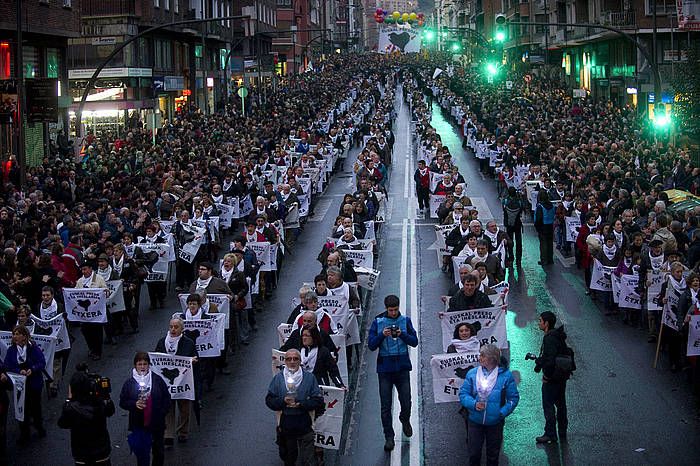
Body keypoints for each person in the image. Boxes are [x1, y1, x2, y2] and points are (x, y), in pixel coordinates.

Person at [367, 295, 418, 451]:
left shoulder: (406, 321)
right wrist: (382, 334)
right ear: (386, 309)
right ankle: (389, 436)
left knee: (406, 401)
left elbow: (414, 342)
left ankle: (405, 419)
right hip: (385, 369)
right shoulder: (378, 322)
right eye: (391, 310)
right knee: (385, 406)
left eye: (396, 310)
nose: (394, 313)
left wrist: (402, 333)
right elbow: (371, 345)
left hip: (402, 367)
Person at [459, 344, 519, 466]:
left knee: (493, 456)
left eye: (483, 355)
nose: (479, 357)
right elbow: (463, 394)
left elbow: (513, 398)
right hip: (475, 421)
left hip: (495, 423)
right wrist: (474, 404)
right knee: (474, 454)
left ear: (492, 359)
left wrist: (501, 412)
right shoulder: (472, 373)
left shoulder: (506, 376)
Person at [265, 348, 324, 466]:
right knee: (289, 457)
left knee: (309, 459)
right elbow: (269, 400)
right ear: (285, 362)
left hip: (304, 421)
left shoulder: (309, 378)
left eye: (295, 359)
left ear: (300, 361)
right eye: (289, 359)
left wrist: (302, 404)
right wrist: (283, 401)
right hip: (287, 422)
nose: (292, 362)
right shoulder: (278, 379)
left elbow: (318, 401)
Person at [119, 352, 171, 466]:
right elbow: (122, 402)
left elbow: (167, 398)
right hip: (139, 425)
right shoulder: (129, 383)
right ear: (135, 366)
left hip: (157, 424)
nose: (142, 367)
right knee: (142, 454)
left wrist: (161, 413)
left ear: (149, 365)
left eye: (145, 364)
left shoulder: (157, 380)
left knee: (158, 452)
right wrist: (134, 404)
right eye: (139, 364)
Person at [57, 366, 116, 466]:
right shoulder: (99, 403)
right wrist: (105, 395)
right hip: (101, 453)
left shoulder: (71, 409)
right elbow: (110, 410)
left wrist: (69, 399)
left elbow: (62, 423)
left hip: (81, 455)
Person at [154, 318, 198, 446]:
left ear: (181, 329)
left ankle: (183, 432)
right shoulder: (162, 342)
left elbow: (195, 357)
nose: (173, 329)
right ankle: (168, 434)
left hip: (184, 381)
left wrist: (193, 361)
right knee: (168, 407)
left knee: (184, 408)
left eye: (176, 327)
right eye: (171, 327)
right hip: (167, 383)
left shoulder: (188, 343)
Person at [4, 325, 47, 445]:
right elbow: (7, 365)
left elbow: (41, 362)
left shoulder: (33, 348)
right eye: (14, 334)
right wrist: (19, 371)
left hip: (34, 382)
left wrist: (32, 369)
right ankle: (24, 433)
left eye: (17, 334)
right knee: (22, 409)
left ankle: (39, 427)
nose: (15, 336)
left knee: (35, 407)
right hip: (20, 384)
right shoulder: (11, 350)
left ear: (24, 336)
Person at [534, 311, 570, 444]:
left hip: (553, 378)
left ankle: (550, 434)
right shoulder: (557, 335)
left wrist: (547, 376)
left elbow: (550, 359)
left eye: (540, 321)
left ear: (546, 323)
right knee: (561, 404)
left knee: (548, 405)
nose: (538, 323)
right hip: (561, 377)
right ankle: (562, 431)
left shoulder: (549, 338)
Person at [76, 261, 109, 361]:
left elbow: (106, 292)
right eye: (82, 270)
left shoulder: (99, 279)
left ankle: (98, 351)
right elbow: (75, 294)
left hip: (96, 312)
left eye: (85, 269)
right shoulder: (80, 281)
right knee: (85, 331)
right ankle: (91, 348)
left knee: (96, 332)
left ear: (91, 269)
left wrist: (105, 292)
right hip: (85, 314)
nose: (83, 271)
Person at [534, 190, 555, 265]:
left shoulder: (540, 206)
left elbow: (538, 219)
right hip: (550, 225)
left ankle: (544, 260)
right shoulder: (552, 205)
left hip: (543, 226)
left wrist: (537, 227)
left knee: (543, 244)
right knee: (550, 243)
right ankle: (550, 259)